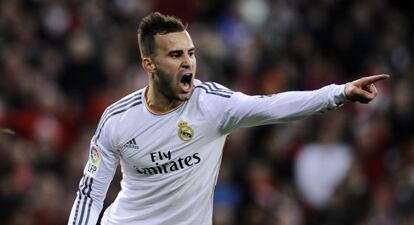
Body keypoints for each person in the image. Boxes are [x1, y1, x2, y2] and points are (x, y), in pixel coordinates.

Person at [67, 12, 389, 225]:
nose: (188, 63)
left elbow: (273, 106)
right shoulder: (117, 120)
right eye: (175, 55)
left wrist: (339, 92)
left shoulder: (211, 106)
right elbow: (90, 194)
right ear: (149, 65)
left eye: (191, 53)